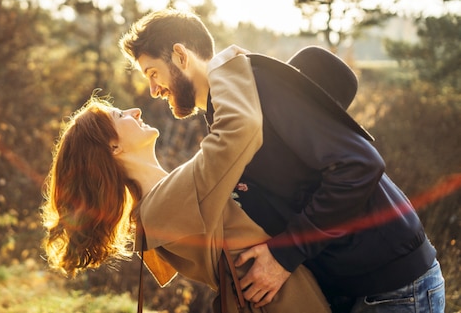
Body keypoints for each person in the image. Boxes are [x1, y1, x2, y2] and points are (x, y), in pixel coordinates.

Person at [119, 9, 446, 313]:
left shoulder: (260, 85)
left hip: (393, 288)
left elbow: (360, 165)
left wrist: (285, 254)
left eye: (153, 73)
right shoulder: (227, 117)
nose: (152, 90)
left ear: (180, 55)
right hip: (351, 290)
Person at [41, 46, 331, 313]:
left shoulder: (159, 203)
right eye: (120, 115)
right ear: (113, 148)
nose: (135, 110)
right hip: (284, 304)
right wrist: (225, 65)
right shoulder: (162, 207)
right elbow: (241, 128)